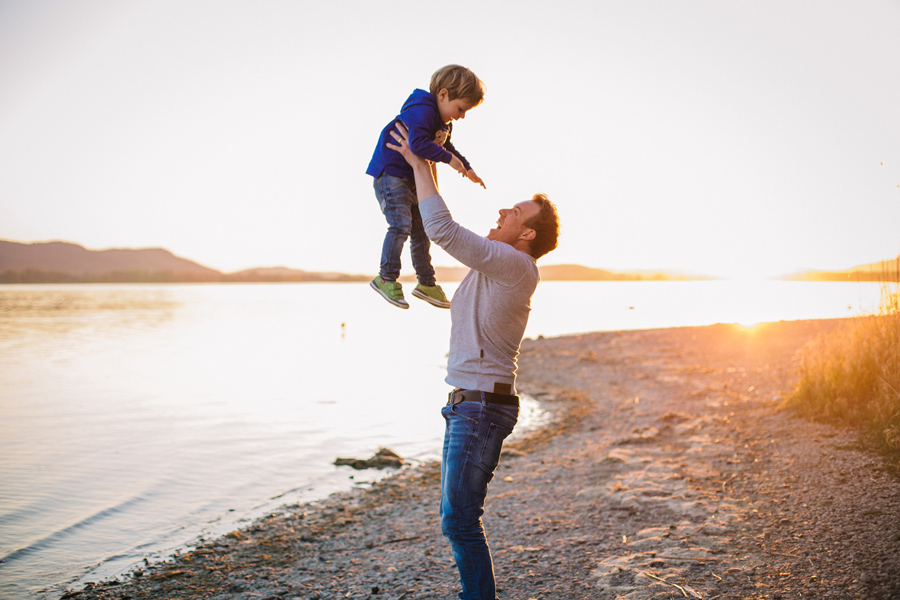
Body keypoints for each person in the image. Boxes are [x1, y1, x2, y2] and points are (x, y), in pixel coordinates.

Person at [386, 122, 560, 599]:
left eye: (516, 211)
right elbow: (441, 224)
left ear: (526, 233)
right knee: (457, 519)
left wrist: (420, 161)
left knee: (459, 520)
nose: (503, 209)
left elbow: (441, 228)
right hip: (469, 404)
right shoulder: (499, 264)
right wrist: (428, 156)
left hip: (481, 406)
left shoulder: (515, 264)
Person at [366, 64, 487, 310]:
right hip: (390, 175)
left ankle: (426, 283)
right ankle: (386, 277)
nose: (461, 116)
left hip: (410, 178)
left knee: (422, 231)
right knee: (400, 225)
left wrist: (465, 166)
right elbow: (419, 144)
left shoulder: (443, 122)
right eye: (461, 108)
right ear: (443, 95)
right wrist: (449, 160)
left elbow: (446, 147)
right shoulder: (421, 110)